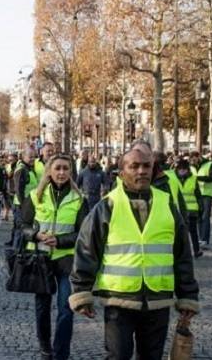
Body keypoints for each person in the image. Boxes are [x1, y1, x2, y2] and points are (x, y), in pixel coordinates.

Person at [69, 149, 199, 360]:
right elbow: (87, 249)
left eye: (146, 166)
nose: (142, 171)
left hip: (158, 299)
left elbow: (182, 254)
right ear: (121, 173)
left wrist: (188, 296)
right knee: (118, 356)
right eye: (134, 166)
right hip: (119, 300)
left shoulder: (167, 204)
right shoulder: (107, 206)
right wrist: (82, 292)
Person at [19, 154, 87, 360]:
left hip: (66, 261)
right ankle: (45, 347)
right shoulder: (35, 196)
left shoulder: (79, 199)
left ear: (71, 172)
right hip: (40, 259)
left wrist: (60, 241)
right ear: (49, 170)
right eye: (57, 168)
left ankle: (60, 354)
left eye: (66, 169)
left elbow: (83, 233)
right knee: (42, 309)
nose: (61, 173)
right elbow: (22, 227)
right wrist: (35, 235)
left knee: (66, 310)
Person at [10, 147, 38, 247]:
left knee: (24, 231)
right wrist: (24, 205)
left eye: (34, 157)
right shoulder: (21, 169)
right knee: (20, 231)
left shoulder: (28, 168)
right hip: (21, 206)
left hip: (28, 205)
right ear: (23, 157)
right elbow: (18, 190)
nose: (32, 159)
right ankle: (16, 256)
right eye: (30, 157)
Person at [176, 159, 203, 257]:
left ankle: (196, 250)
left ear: (188, 170)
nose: (182, 171)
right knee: (180, 232)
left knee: (193, 231)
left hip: (192, 210)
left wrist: (201, 208)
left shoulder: (193, 179)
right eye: (180, 169)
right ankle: (180, 252)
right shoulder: (173, 179)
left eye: (184, 169)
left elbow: (198, 195)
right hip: (178, 210)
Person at [190, 152, 212, 249]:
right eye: (191, 160)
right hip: (195, 194)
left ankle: (204, 239)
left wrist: (198, 178)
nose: (192, 162)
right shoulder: (191, 167)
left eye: (194, 159)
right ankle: (200, 239)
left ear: (198, 157)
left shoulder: (209, 164)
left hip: (207, 194)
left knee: (205, 217)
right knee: (198, 217)